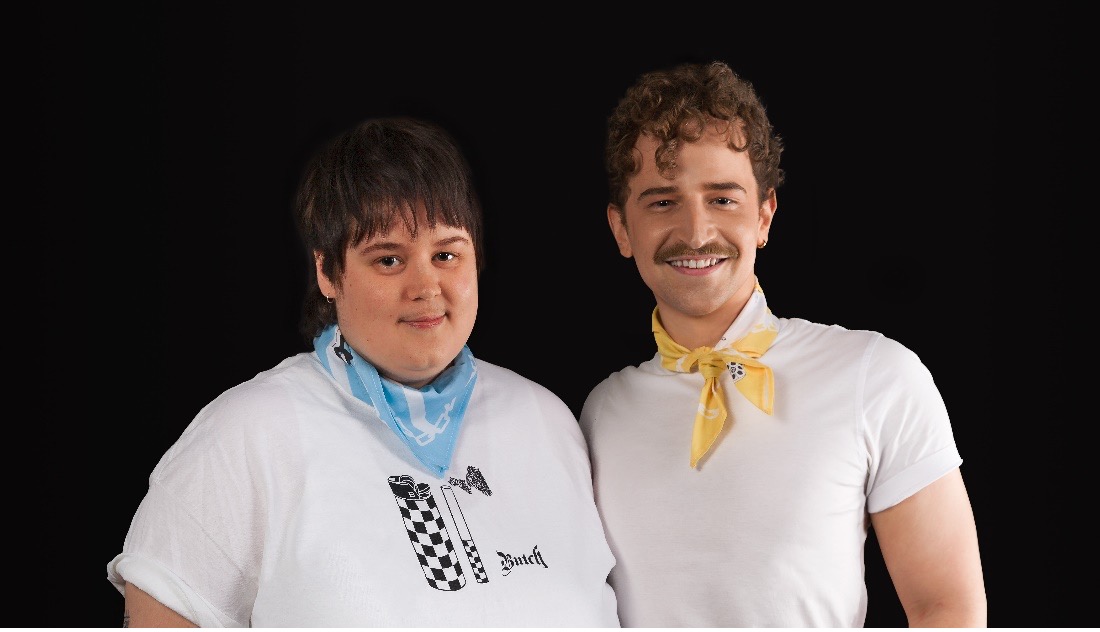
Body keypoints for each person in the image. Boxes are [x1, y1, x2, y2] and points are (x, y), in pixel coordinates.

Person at [107, 117, 620, 627]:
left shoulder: (547, 422)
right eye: (389, 260)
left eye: (446, 254)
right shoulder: (247, 436)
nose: (426, 286)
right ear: (328, 272)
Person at [578, 60, 987, 627]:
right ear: (621, 228)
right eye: (662, 201)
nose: (697, 232)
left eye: (723, 199)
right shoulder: (601, 414)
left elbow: (949, 608)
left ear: (765, 214)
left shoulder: (876, 375)